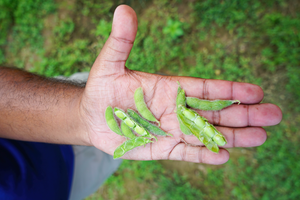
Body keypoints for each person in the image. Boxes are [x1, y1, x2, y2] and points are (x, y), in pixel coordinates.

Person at [0, 5, 282, 200]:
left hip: (40, 134)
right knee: (113, 149)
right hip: (59, 189)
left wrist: (79, 114)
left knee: (105, 128)